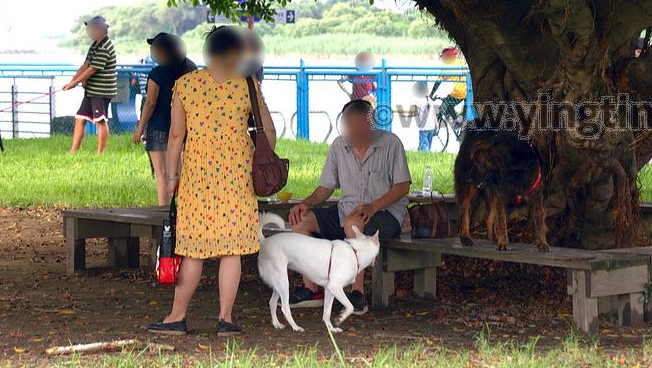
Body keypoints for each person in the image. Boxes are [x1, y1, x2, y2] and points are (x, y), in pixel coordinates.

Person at [147, 26, 276, 336]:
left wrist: (172, 176)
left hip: (196, 174)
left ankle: (177, 317)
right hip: (237, 173)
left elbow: (176, 136)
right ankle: (226, 319)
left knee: (193, 248)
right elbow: (269, 131)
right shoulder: (248, 84)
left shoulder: (186, 84)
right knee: (230, 250)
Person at [287, 100, 411, 314]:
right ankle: (311, 289)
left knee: (353, 225)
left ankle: (357, 292)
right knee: (300, 222)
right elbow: (325, 188)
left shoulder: (391, 143)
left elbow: (403, 186)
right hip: (347, 209)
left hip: (385, 212)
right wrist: (305, 203)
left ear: (372, 124)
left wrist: (372, 207)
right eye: (351, 125)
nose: (356, 131)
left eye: (361, 125)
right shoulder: (338, 146)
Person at [131, 33, 197, 205]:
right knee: (178, 172)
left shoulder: (157, 73)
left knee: (161, 174)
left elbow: (150, 102)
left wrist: (140, 127)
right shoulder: (189, 70)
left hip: (158, 127)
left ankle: (163, 211)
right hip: (181, 128)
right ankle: (184, 208)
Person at [63, 15, 117, 154]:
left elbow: (92, 69)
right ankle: (73, 151)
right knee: (80, 118)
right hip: (91, 90)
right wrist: (72, 81)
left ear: (100, 29)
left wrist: (75, 83)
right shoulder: (95, 44)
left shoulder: (105, 46)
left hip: (101, 90)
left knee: (100, 120)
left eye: (92, 28)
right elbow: (85, 65)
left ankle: (101, 153)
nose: (90, 31)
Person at [430, 46, 466, 126]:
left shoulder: (446, 68)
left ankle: (457, 120)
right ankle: (459, 120)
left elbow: (438, 82)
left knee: (446, 104)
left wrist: (431, 94)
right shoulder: (459, 61)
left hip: (459, 93)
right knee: (449, 102)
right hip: (468, 91)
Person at [411, 81, 436, 152]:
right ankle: (427, 155)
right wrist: (436, 124)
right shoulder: (430, 100)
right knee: (428, 143)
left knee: (424, 145)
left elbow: (416, 113)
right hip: (431, 126)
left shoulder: (418, 100)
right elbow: (434, 113)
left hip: (423, 127)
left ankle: (425, 156)